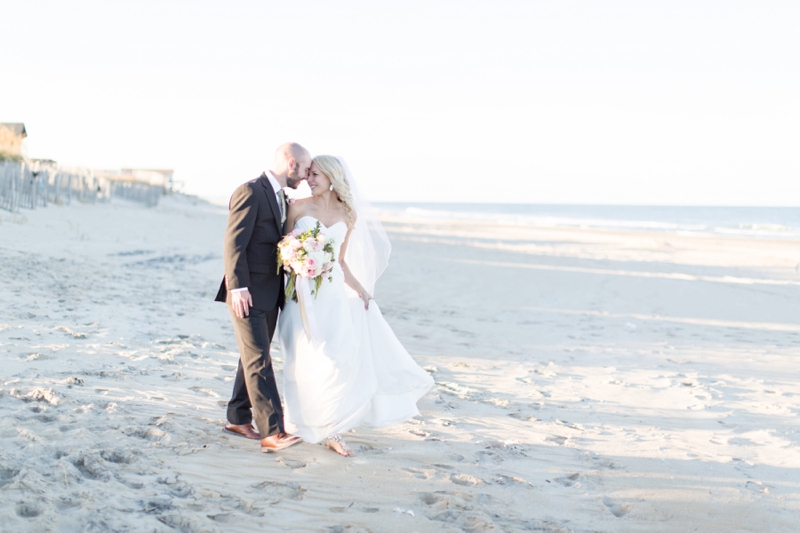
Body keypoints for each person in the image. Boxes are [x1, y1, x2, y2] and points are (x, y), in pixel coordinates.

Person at [278, 155, 434, 457]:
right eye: (308, 174)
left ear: (333, 177)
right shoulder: (297, 208)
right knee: (302, 360)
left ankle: (331, 429)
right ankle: (296, 423)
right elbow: (283, 249)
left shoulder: (348, 215)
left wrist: (361, 290)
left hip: (333, 296)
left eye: (316, 174)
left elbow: (341, 262)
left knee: (336, 362)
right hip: (300, 294)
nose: (309, 179)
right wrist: (296, 260)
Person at [215, 142, 310, 452]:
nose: (306, 177)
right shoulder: (250, 191)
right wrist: (237, 287)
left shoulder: (282, 197)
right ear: (291, 163)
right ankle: (273, 431)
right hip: (247, 292)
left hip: (271, 292)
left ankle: (237, 417)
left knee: (252, 356)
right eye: (305, 170)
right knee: (259, 360)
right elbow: (233, 242)